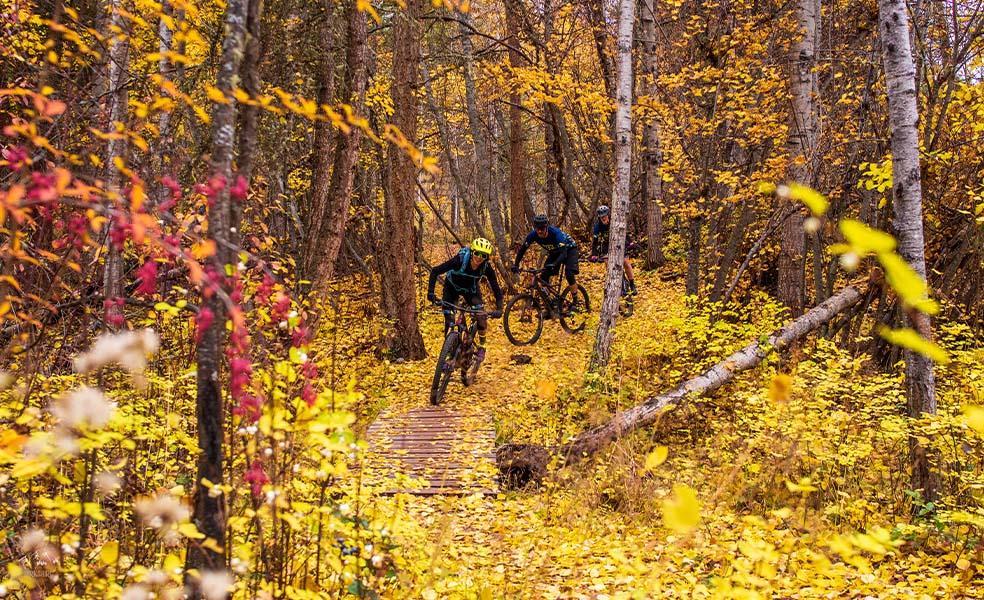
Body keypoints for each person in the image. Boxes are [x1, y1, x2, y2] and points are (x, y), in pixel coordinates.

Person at [427, 237, 503, 383]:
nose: (479, 258)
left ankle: (482, 346)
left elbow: (495, 287)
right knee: (449, 322)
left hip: (471, 291)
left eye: (483, 256)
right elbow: (435, 271)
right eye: (477, 253)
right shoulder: (459, 260)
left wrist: (500, 308)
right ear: (472, 251)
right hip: (451, 289)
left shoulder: (486, 267)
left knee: (481, 317)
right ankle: (449, 355)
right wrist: (430, 293)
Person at [511, 214, 580, 298]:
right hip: (555, 252)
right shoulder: (533, 235)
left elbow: (564, 253)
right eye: (537, 229)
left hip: (569, 249)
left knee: (569, 273)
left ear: (546, 227)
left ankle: (576, 301)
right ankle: (549, 302)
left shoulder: (556, 233)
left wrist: (554, 264)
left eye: (542, 229)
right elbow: (522, 250)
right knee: (544, 275)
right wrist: (516, 264)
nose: (539, 231)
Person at [590, 205, 637, 294]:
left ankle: (632, 284)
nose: (604, 219)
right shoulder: (597, 227)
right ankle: (617, 283)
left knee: (626, 262)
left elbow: (624, 233)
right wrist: (594, 254)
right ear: (599, 218)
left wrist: (630, 242)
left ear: (608, 215)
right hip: (606, 246)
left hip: (618, 243)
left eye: (605, 216)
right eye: (601, 217)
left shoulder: (614, 222)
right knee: (608, 265)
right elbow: (595, 242)